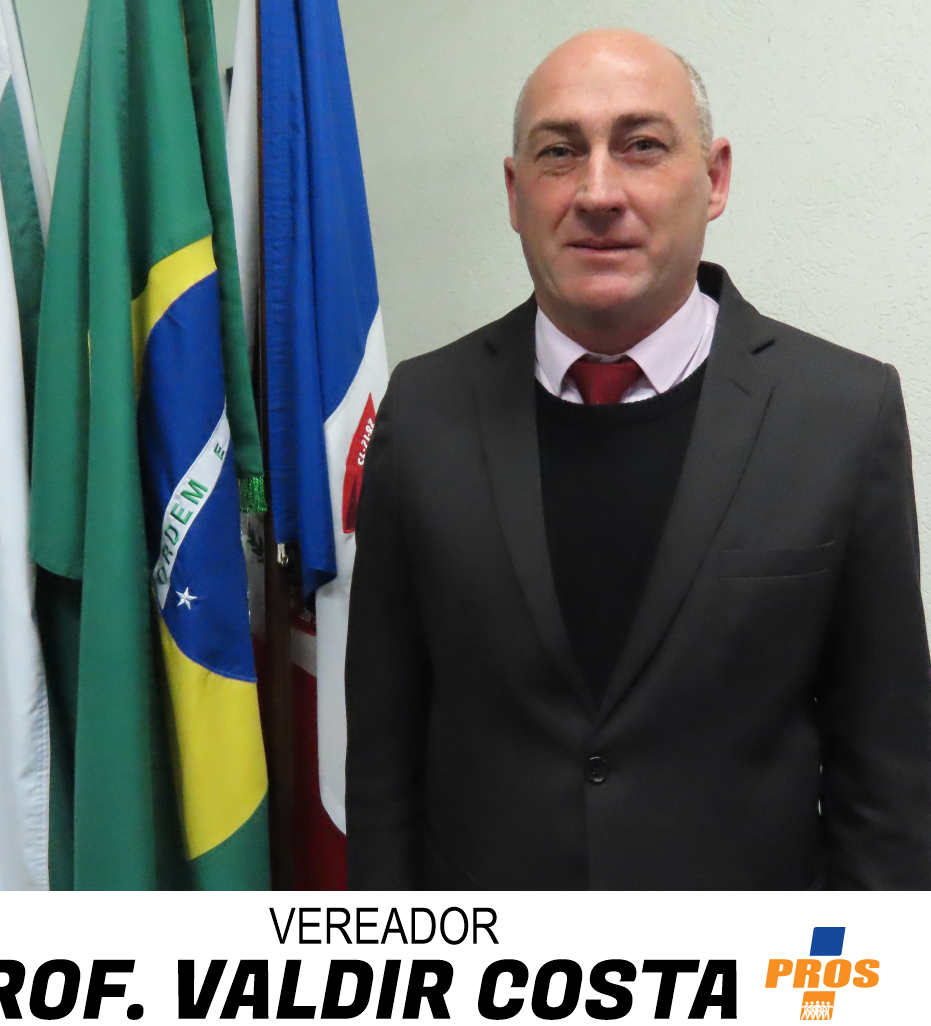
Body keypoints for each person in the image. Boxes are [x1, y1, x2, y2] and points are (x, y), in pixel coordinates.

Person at [344, 28, 931, 889]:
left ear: (715, 178)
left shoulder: (843, 413)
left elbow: (888, 781)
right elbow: (384, 760)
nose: (597, 192)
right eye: (558, 152)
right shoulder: (424, 412)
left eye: (642, 146)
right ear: (514, 192)